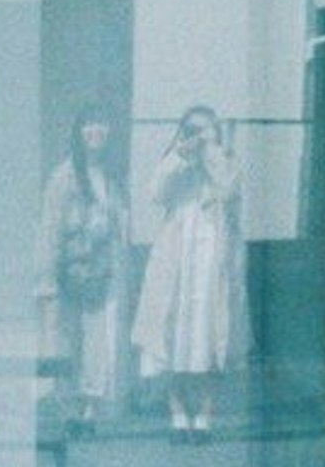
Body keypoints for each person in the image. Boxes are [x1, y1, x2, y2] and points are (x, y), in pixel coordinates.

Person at [133, 104, 244, 435]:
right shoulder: (175, 162)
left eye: (204, 129)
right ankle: (177, 411)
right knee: (172, 338)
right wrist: (181, 156)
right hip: (176, 264)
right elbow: (155, 193)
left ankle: (205, 414)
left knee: (209, 339)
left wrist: (210, 151)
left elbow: (228, 188)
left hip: (213, 263)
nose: (197, 135)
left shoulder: (227, 161)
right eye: (191, 129)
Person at [37, 107, 130, 426]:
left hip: (105, 271)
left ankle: (90, 408)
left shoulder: (111, 176)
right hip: (71, 270)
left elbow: (121, 227)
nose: (96, 131)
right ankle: (69, 407)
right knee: (69, 337)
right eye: (90, 124)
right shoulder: (64, 176)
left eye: (102, 124)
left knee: (99, 339)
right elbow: (50, 227)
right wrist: (47, 276)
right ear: (79, 132)